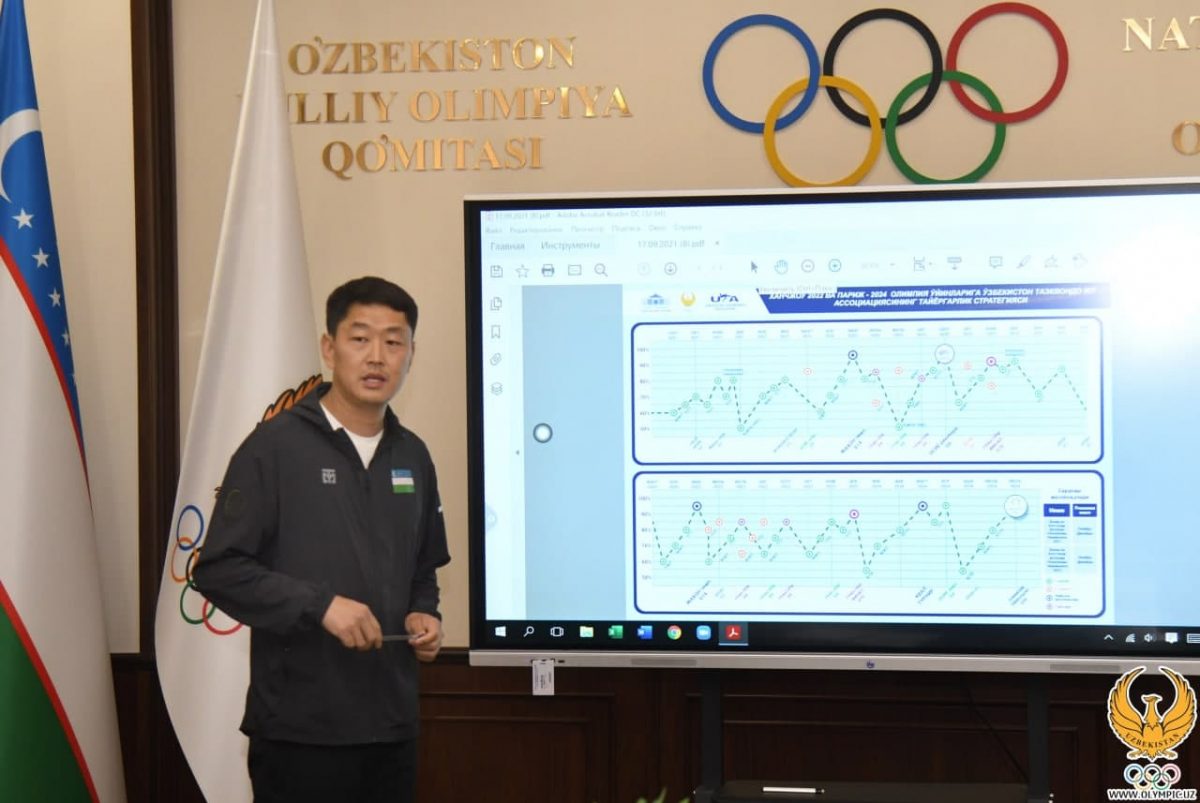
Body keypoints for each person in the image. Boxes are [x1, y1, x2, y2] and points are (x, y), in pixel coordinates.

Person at [193, 275, 451, 803]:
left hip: (392, 728)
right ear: (329, 348)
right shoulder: (274, 447)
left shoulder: (413, 455)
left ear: (411, 354)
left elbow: (423, 569)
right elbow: (218, 569)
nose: (377, 356)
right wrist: (321, 606)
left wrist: (424, 614)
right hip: (300, 732)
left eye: (393, 341)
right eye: (360, 338)